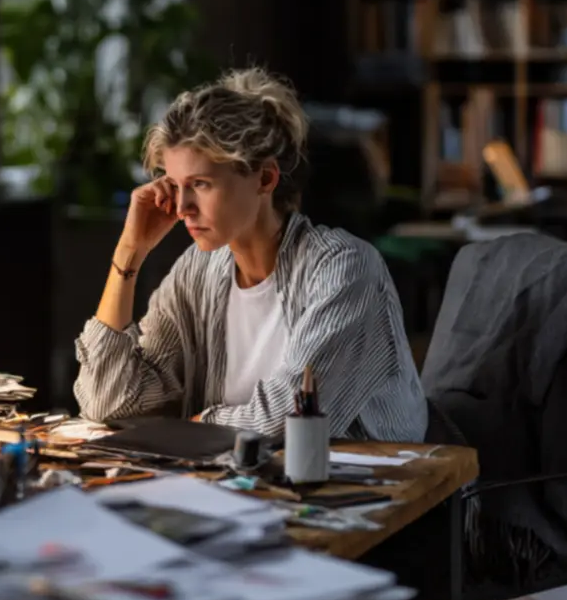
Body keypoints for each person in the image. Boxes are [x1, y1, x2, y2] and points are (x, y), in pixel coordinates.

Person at [72, 67, 427, 441]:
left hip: (376, 489)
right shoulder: (198, 271)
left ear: (265, 178)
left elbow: (291, 420)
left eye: (200, 184)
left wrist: (191, 427)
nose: (182, 207)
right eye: (175, 186)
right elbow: (107, 401)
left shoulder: (345, 268)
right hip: (246, 488)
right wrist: (129, 253)